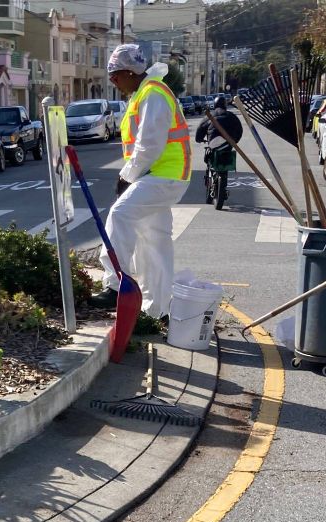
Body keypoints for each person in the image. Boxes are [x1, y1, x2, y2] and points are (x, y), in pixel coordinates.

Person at [90, 44, 191, 320]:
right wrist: (130, 174)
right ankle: (157, 309)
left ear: (131, 72)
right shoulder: (146, 93)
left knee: (120, 215)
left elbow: (149, 145)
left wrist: (126, 176)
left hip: (162, 176)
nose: (113, 81)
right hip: (162, 175)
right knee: (154, 241)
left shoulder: (153, 94)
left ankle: (115, 285)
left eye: (116, 75)